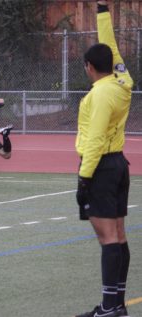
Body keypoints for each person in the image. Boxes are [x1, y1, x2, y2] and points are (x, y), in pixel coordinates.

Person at [74, 1, 133, 317]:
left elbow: (95, 139)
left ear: (89, 66)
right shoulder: (123, 83)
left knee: (107, 238)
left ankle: (109, 308)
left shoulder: (98, 95)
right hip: (119, 165)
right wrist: (102, 11)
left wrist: (84, 178)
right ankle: (116, 304)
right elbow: (110, 46)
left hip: (100, 167)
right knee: (119, 237)